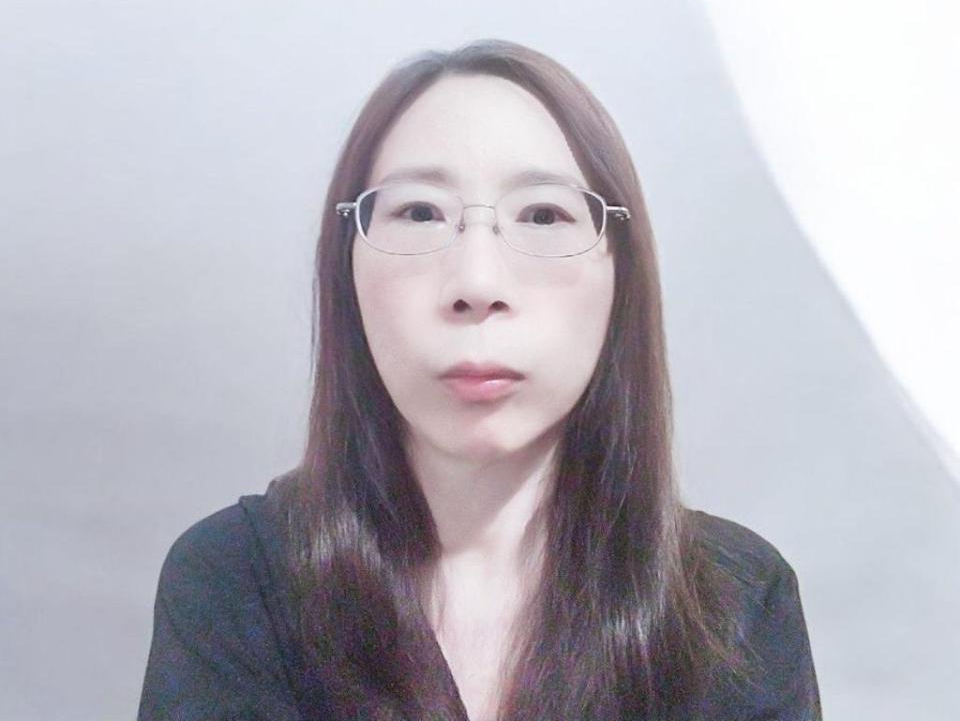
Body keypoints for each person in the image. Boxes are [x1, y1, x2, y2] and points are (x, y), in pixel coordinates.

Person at [137, 40, 822, 720]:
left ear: (622, 273)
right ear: (347, 268)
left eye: (544, 215)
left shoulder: (737, 604)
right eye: (419, 212)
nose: (477, 282)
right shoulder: (234, 583)